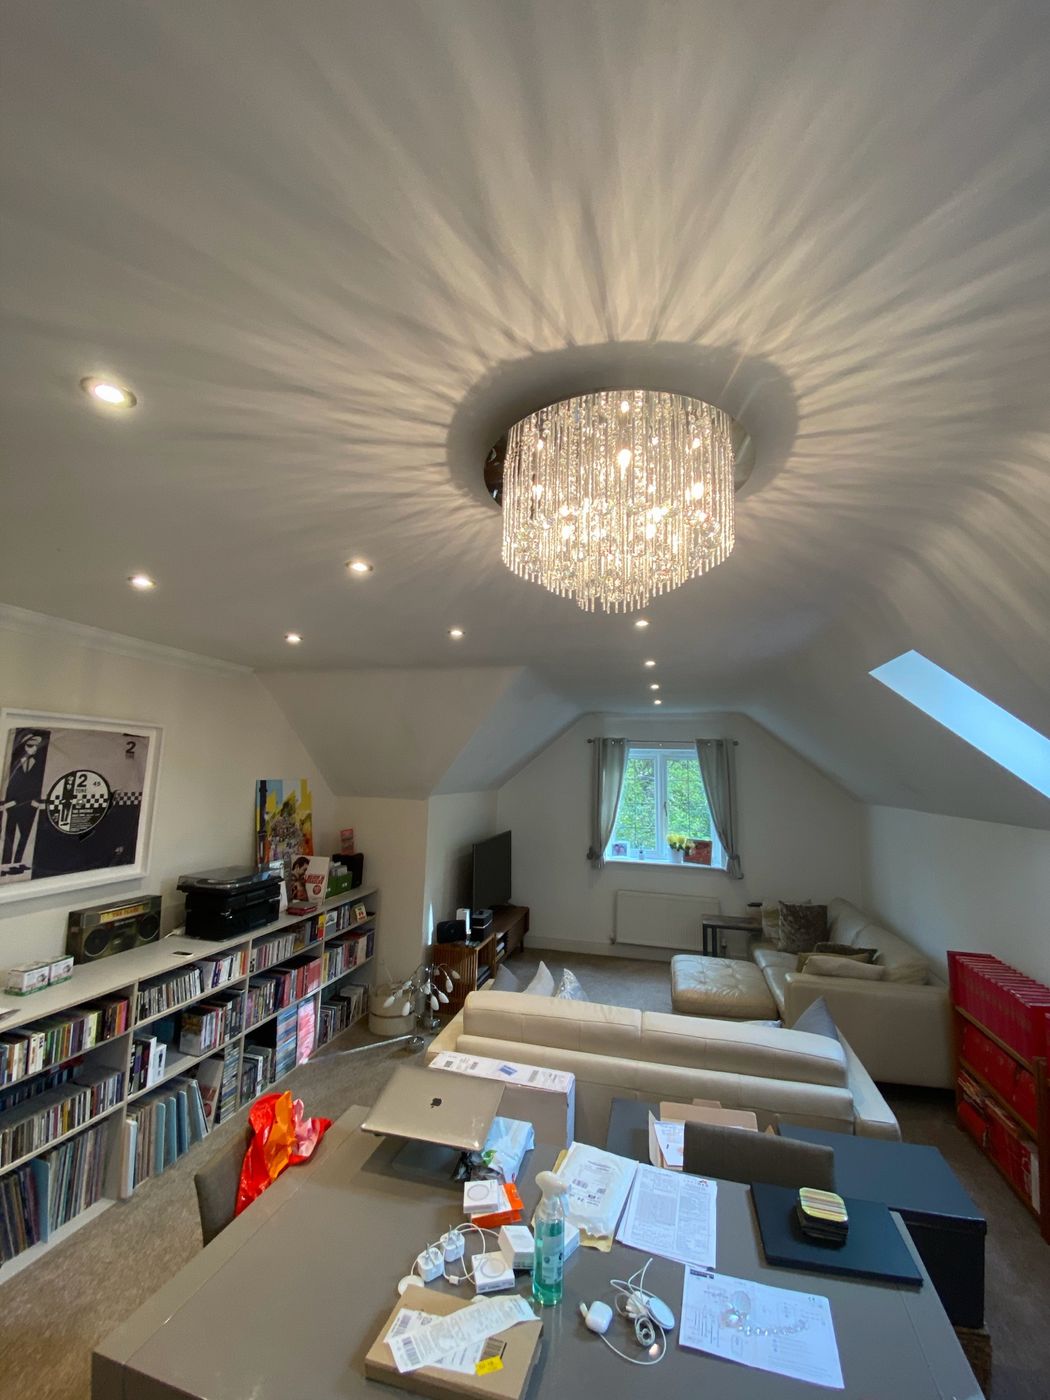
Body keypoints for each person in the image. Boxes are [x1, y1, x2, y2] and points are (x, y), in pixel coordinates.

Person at [1, 732, 48, 871]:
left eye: (36, 746)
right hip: (13, 805)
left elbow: (36, 784)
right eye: (31, 746)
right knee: (9, 834)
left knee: (25, 835)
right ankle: (6, 863)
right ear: (25, 747)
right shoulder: (13, 762)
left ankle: (19, 862)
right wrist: (9, 802)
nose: (34, 749)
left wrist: (35, 802)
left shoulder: (38, 763)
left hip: (29, 806)